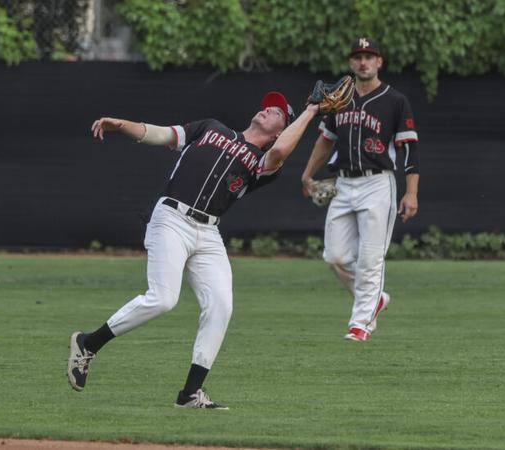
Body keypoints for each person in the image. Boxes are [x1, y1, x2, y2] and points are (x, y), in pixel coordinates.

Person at [67, 91, 320, 409]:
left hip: (208, 233)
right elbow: (162, 134)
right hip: (172, 218)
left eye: (278, 113)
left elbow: (281, 150)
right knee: (163, 298)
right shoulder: (212, 128)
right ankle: (88, 343)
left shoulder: (262, 163)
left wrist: (311, 111)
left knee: (221, 306)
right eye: (269, 106)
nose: (268, 109)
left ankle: (190, 393)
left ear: (281, 131)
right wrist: (122, 125)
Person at [300, 37, 420, 342]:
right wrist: (307, 174)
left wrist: (411, 193)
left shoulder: (395, 100)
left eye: (369, 56)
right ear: (350, 63)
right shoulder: (339, 100)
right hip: (343, 183)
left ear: (379, 62)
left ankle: (360, 324)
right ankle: (375, 299)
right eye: (358, 57)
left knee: (370, 259)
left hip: (377, 183)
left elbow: (410, 150)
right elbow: (325, 141)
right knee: (335, 256)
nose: (363, 62)